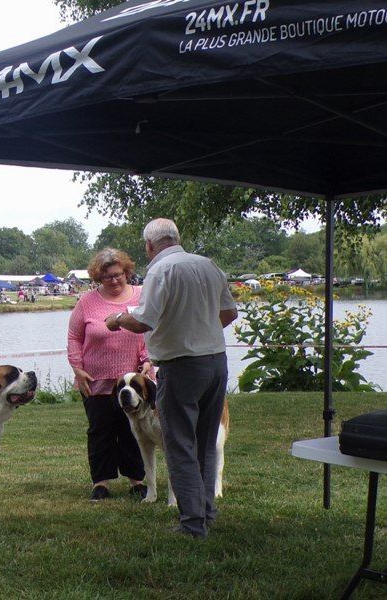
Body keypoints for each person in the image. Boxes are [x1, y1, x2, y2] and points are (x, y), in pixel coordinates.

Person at [106, 218, 238, 539]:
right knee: (206, 443)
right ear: (177, 238)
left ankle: (192, 524)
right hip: (216, 363)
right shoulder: (208, 265)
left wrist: (117, 319)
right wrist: (201, 332)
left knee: (179, 445)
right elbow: (229, 313)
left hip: (180, 367)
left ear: (150, 245)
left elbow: (143, 321)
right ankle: (206, 512)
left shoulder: (160, 271)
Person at [68, 248, 152, 501]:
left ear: (127, 272)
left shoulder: (141, 296)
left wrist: (148, 360)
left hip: (133, 381)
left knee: (132, 431)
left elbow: (150, 331)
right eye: (107, 277)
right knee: (100, 431)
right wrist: (77, 367)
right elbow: (74, 337)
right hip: (95, 380)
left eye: (118, 275)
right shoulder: (86, 302)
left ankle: (137, 480)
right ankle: (101, 483)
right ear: (98, 278)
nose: (114, 280)